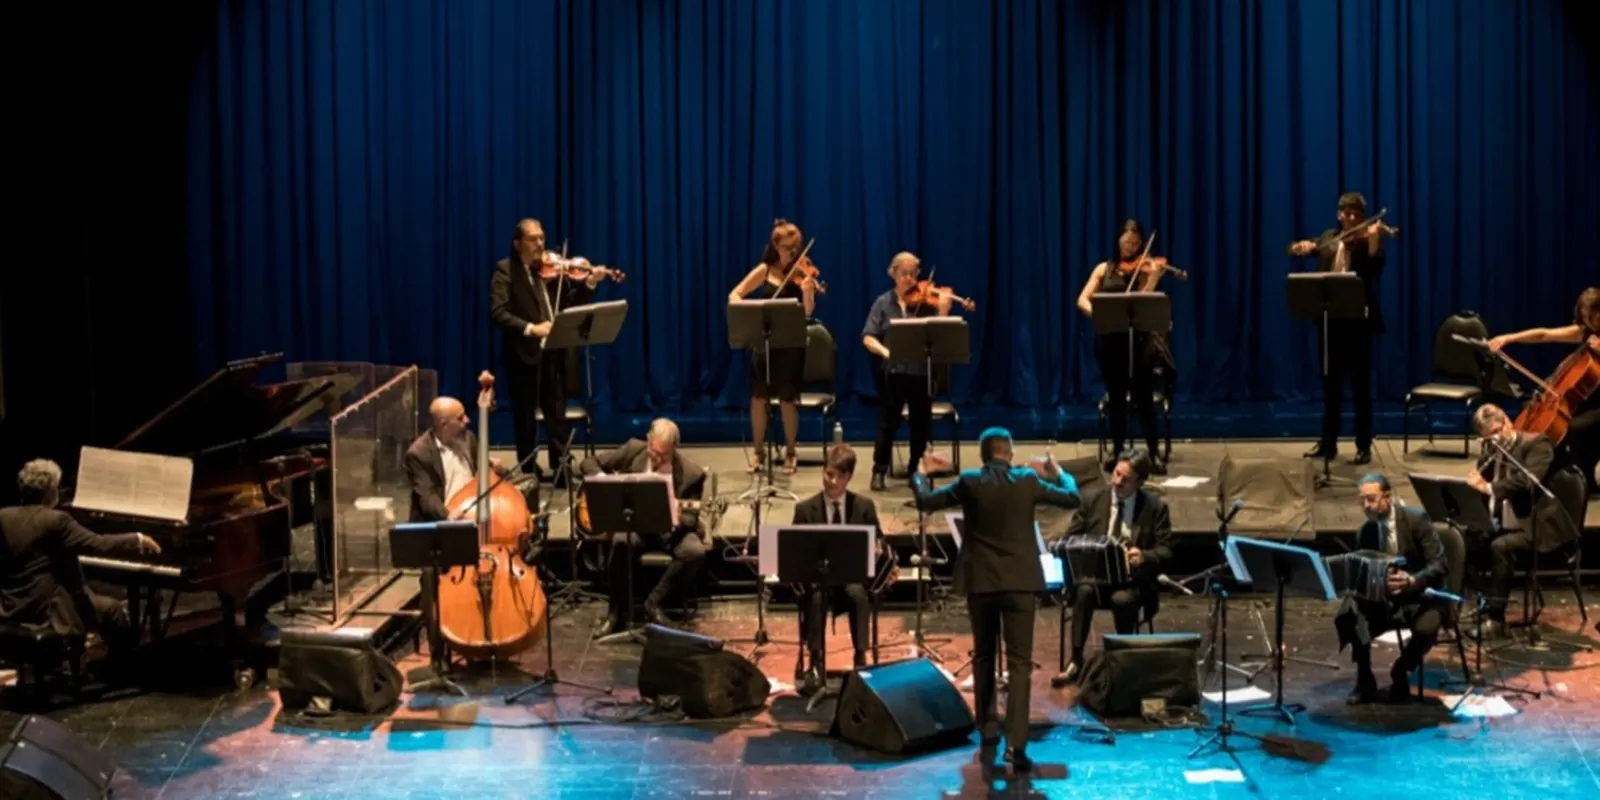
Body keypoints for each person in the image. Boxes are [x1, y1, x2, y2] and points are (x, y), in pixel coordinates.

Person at [910, 429, 1081, 771]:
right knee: (1019, 665)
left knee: (984, 655)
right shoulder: (1027, 481)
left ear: (985, 455)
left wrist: (921, 473)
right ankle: (1016, 747)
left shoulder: (970, 481)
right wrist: (1059, 472)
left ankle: (987, 729)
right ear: (1010, 453)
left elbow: (926, 501)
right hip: (1020, 584)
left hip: (982, 583)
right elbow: (1072, 497)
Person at [1, 459, 161, 666]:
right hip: (49, 609)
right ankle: (124, 665)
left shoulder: (3, 516)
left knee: (90, 596)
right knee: (112, 609)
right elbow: (99, 544)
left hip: (13, 604)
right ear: (51, 492)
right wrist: (137, 539)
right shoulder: (56, 520)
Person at [490, 219, 611, 486]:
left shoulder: (551, 274)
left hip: (554, 354)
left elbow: (569, 305)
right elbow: (499, 313)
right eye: (533, 239)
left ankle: (561, 470)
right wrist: (532, 328)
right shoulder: (506, 270)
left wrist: (589, 284)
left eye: (542, 238)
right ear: (517, 244)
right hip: (523, 355)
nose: (540, 245)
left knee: (557, 414)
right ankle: (528, 469)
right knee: (525, 418)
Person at [1287, 192, 1393, 466]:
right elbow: (1301, 249)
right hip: (1329, 323)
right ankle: (1328, 443)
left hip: (1358, 323)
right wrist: (1300, 247)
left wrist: (1373, 241)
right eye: (1347, 213)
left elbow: (1373, 270)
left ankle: (1363, 445)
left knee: (1360, 388)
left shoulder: (1366, 241)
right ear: (1339, 214)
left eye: (1357, 214)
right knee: (1330, 387)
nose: (1352, 218)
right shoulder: (1328, 237)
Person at [1051, 448, 1172, 686]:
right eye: (1116, 474)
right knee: (1084, 592)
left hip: (1132, 582)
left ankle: (1124, 661)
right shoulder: (1092, 500)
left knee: (1122, 601)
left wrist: (1144, 556)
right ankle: (1076, 659)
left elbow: (1166, 550)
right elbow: (1070, 537)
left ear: (1140, 482)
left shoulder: (1155, 508)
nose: (1117, 481)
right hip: (1096, 579)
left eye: (1125, 479)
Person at [580, 418, 709, 638]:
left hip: (670, 533)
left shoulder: (691, 474)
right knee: (620, 542)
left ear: (674, 449)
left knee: (695, 551)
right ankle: (615, 613)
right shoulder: (633, 450)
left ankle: (654, 604)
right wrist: (604, 480)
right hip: (637, 528)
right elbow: (587, 463)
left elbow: (692, 518)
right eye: (654, 451)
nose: (657, 459)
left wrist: (678, 517)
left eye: (664, 455)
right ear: (648, 440)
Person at [1466, 404, 1581, 637]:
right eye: (1487, 437)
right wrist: (1479, 476)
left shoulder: (1537, 443)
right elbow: (1485, 477)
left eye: (1496, 433)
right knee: (1465, 538)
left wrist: (1489, 487)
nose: (1493, 440)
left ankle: (1496, 620)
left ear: (1507, 422)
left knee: (1501, 547)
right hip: (1506, 521)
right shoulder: (1492, 449)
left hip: (1537, 525)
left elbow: (1526, 482)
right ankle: (1488, 600)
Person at [788, 444, 894, 689]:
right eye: (827, 473)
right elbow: (794, 549)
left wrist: (877, 549)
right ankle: (816, 661)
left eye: (836, 476)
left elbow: (879, 541)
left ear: (848, 477)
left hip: (851, 579)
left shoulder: (864, 506)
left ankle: (860, 658)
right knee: (814, 596)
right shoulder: (804, 509)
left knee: (858, 595)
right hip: (818, 580)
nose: (830, 480)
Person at [1332, 474, 1446, 703]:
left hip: (1418, 595)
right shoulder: (1366, 531)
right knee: (1350, 612)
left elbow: (1439, 564)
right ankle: (1364, 678)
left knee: (1428, 626)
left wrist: (1412, 580)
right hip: (1384, 598)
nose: (1366, 506)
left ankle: (1402, 669)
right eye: (1362, 500)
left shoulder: (1416, 520)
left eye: (1372, 499)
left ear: (1388, 497)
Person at [1077, 220, 1176, 474]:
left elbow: (1143, 302)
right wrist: (1098, 315)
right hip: (1110, 343)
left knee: (1143, 398)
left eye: (1135, 242)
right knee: (1117, 398)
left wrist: (1153, 277)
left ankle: (1153, 452)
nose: (1130, 245)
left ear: (1141, 244)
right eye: (1126, 240)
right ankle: (1117, 449)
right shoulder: (1103, 268)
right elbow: (1082, 300)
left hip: (1138, 343)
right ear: (1118, 240)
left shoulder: (1143, 270)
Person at [1488, 287, 1600, 496]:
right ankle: (1540, 476)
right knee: (1533, 412)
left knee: (1572, 429)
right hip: (1583, 403)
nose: (1589, 322)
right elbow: (1544, 334)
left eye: (1592, 316)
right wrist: (1509, 338)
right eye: (1584, 317)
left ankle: (1578, 481)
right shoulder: (1585, 332)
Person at [728, 219, 820, 475]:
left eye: (797, 247)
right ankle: (758, 452)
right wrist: (750, 310)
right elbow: (734, 295)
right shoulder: (764, 270)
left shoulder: (803, 274)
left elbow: (808, 312)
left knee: (788, 399)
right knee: (758, 398)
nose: (793, 252)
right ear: (776, 246)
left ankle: (792, 451)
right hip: (764, 343)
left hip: (790, 343)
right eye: (788, 247)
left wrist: (807, 291)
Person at [862, 252, 954, 490]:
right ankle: (879, 470)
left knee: (920, 424)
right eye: (904, 273)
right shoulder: (883, 303)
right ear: (893, 273)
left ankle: (916, 470)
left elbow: (941, 336)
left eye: (913, 274)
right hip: (893, 372)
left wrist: (943, 312)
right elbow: (868, 337)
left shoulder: (926, 303)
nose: (910, 279)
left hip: (921, 372)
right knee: (888, 422)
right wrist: (886, 352)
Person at [403, 396, 505, 523]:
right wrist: (448, 516)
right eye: (460, 418)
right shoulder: (419, 453)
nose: (467, 420)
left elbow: (481, 472)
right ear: (444, 424)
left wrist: (496, 468)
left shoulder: (468, 438)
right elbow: (427, 496)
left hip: (472, 514)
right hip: (442, 523)